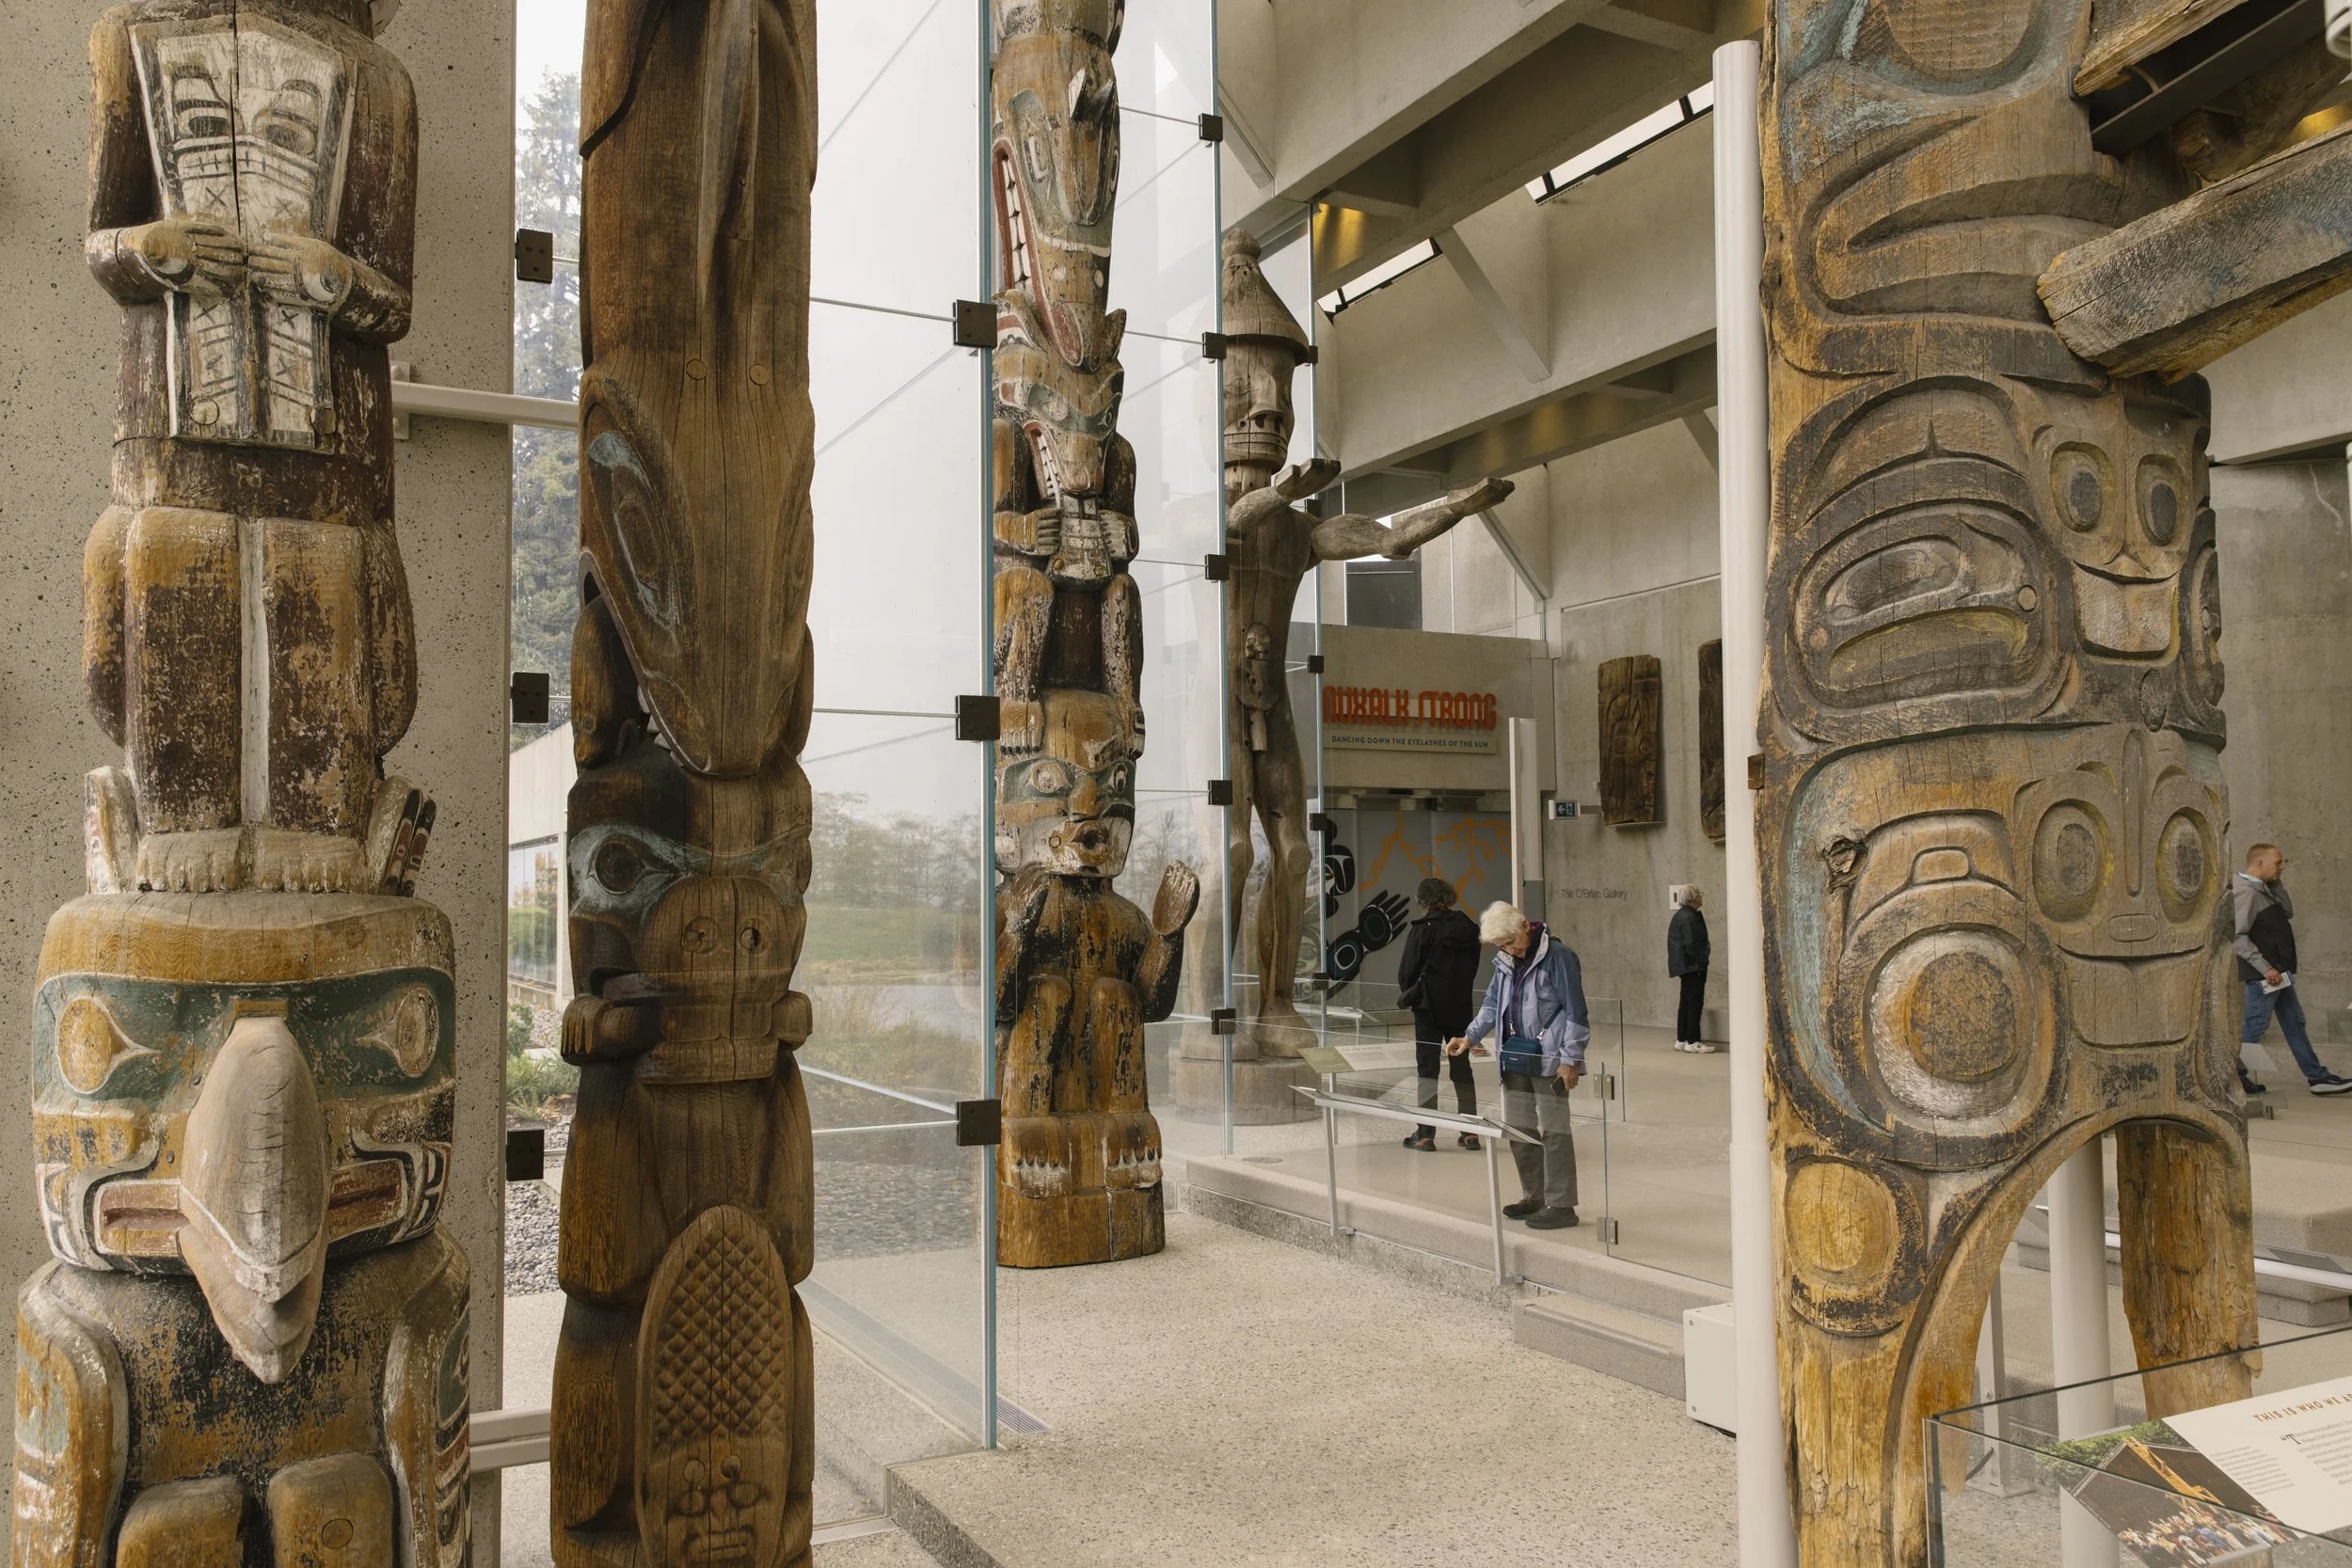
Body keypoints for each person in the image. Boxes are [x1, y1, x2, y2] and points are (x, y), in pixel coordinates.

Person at [1449, 903, 1589, 1229]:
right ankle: (1534, 1196)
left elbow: (1576, 1013)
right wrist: (1470, 1036)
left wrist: (1570, 1060)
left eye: (1510, 942)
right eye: (1501, 946)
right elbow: (1491, 1004)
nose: (1508, 949)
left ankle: (1562, 1204)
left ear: (1525, 926)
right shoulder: (1505, 960)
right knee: (1518, 1130)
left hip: (1550, 1059)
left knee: (1555, 1132)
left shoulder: (1559, 956)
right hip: (1514, 1057)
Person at [2236, 844, 2352, 1097]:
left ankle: (2317, 1077)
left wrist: (2275, 884)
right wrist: (2265, 968)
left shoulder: (2264, 889)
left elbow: (2287, 912)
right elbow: (2238, 937)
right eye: (2277, 863)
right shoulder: (2245, 892)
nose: (2282, 867)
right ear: (2258, 863)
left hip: (2280, 974)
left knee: (2295, 1023)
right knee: (2255, 1025)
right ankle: (2231, 1077)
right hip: (2266, 975)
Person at [1396, 878, 1482, 1151]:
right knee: (1462, 1068)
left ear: (1423, 901)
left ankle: (1425, 1133)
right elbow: (1473, 968)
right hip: (1460, 1007)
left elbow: (1406, 972)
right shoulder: (1468, 928)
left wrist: (1414, 991)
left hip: (1428, 1008)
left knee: (1427, 1070)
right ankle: (1470, 1132)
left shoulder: (1422, 930)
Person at [1668, 885, 1713, 1053]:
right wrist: (1704, 959)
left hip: (1684, 966)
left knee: (1685, 1003)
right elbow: (1691, 944)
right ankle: (1693, 1041)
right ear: (1693, 898)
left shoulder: (1680, 915)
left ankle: (1682, 1039)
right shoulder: (1690, 917)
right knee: (1694, 1003)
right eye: (1699, 895)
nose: (1701, 897)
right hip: (1693, 966)